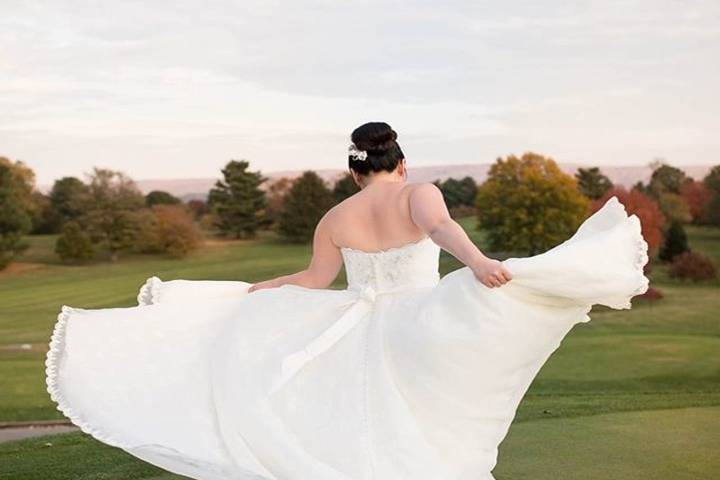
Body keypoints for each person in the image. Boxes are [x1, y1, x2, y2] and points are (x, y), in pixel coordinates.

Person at [46, 122, 649, 480]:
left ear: (355, 172)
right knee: (428, 406)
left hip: (357, 319)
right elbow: (441, 231)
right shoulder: (420, 193)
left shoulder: (335, 214)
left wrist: (257, 292)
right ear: (400, 163)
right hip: (421, 319)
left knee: (366, 409)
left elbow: (313, 279)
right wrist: (482, 264)